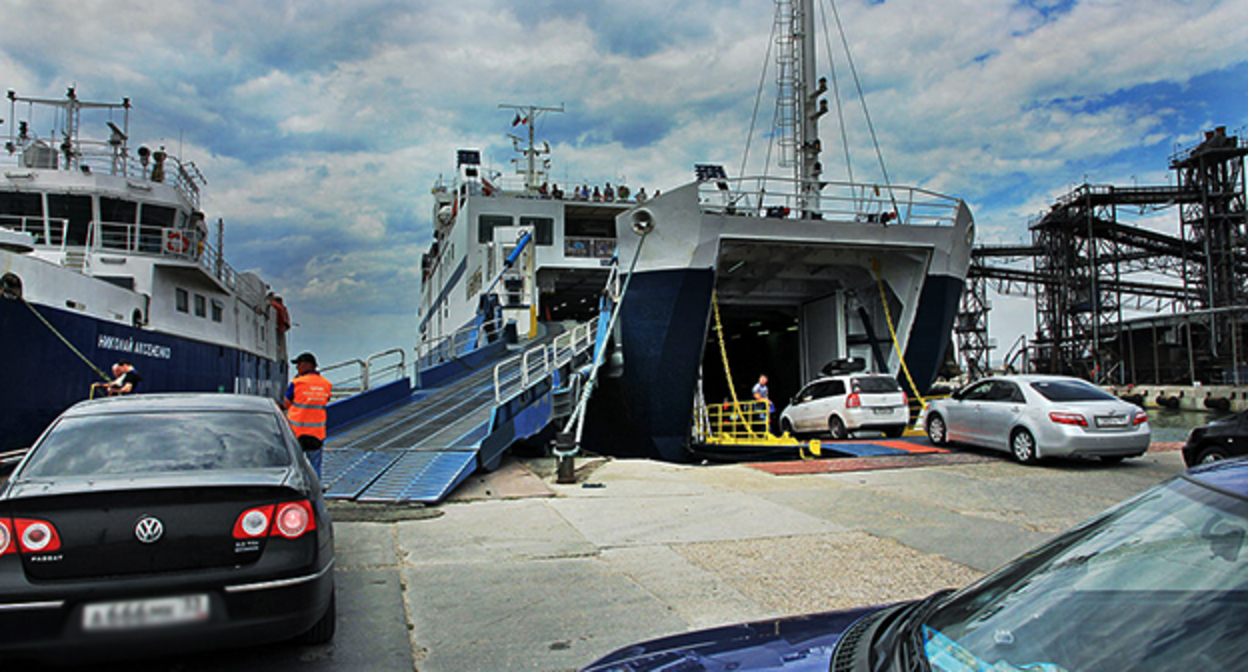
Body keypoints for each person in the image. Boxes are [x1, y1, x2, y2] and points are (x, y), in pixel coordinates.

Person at [283, 352, 333, 478]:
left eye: (299, 365)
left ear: (306, 365)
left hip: (296, 432)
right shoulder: (326, 384)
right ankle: (315, 492)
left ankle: (297, 490)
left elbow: (286, 404)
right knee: (315, 466)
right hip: (316, 433)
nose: (297, 368)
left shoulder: (297, 383)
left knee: (294, 464)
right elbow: (325, 401)